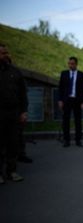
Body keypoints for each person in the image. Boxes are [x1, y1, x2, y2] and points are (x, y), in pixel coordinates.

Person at [0, 44, 28, 184]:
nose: (6, 55)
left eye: (6, 52)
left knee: (13, 143)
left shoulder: (15, 72)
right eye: (3, 53)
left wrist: (23, 111)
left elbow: (23, 94)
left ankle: (12, 171)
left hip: (13, 113)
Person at [58, 56, 83, 147]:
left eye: (72, 64)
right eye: (69, 63)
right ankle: (66, 140)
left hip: (77, 101)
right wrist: (60, 100)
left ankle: (78, 140)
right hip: (67, 100)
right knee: (65, 121)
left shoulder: (82, 75)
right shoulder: (64, 74)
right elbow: (61, 88)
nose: (70, 65)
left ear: (76, 64)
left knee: (78, 121)